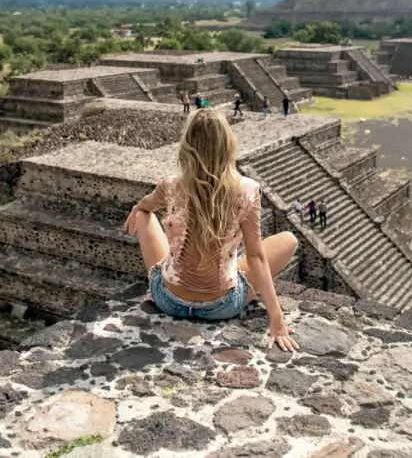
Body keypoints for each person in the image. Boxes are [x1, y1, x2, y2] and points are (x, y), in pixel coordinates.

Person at [123, 109, 299, 351]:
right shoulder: (247, 190)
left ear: (187, 147)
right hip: (222, 306)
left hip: (168, 300)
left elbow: (146, 206)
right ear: (227, 145)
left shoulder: (171, 185)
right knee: (289, 240)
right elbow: (256, 257)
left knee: (144, 216)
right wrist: (276, 320)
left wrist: (137, 208)